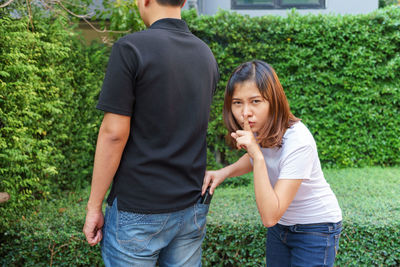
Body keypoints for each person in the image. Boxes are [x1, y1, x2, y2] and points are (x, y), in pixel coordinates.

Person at [82, 0, 219, 265]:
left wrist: (93, 207)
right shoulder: (206, 54)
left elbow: (113, 134)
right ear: (185, 1)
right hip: (191, 206)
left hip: (139, 207)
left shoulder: (130, 48)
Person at [202, 60, 342, 267]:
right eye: (237, 102)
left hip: (316, 228)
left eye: (255, 101)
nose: (245, 112)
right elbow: (254, 158)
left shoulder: (298, 140)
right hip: (281, 227)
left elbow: (269, 217)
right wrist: (224, 172)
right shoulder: (261, 128)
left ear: (273, 101)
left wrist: (257, 155)